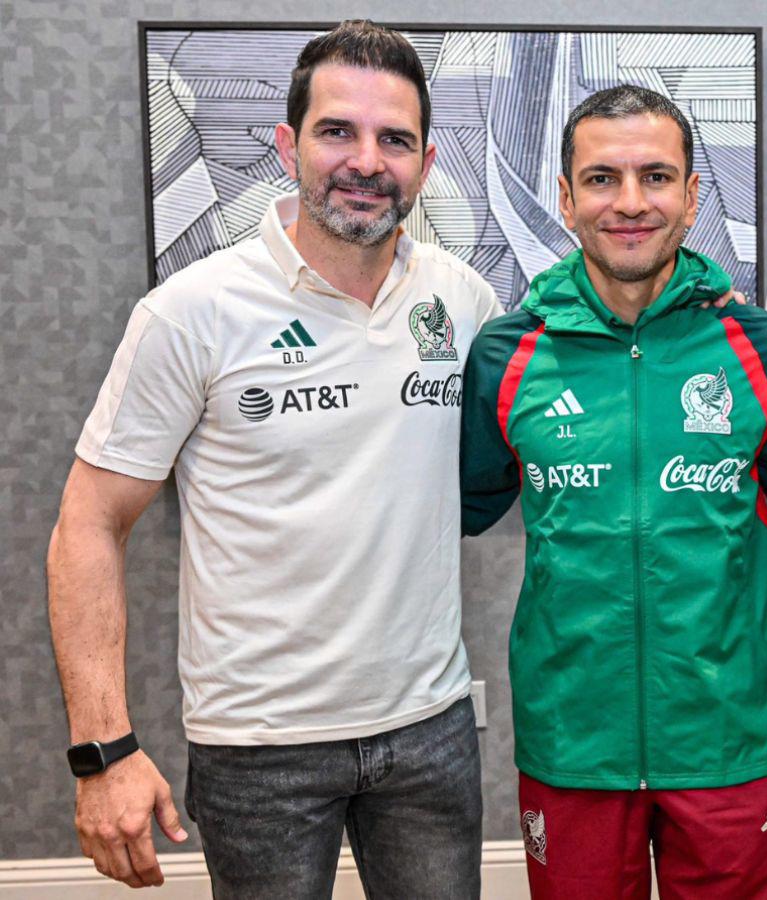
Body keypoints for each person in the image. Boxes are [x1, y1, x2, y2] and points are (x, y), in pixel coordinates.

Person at [47, 20, 499, 897]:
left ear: (426, 162)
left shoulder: (462, 298)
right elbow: (87, 525)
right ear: (289, 144)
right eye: (339, 131)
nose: (367, 160)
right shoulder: (191, 311)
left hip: (432, 731)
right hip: (259, 750)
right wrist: (102, 751)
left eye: (394, 139)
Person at [460, 84, 767, 900]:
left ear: (693, 196)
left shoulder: (757, 344)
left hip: (722, 732)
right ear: (565, 197)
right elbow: (451, 503)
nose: (629, 203)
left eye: (656, 177)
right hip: (572, 737)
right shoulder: (506, 354)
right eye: (601, 179)